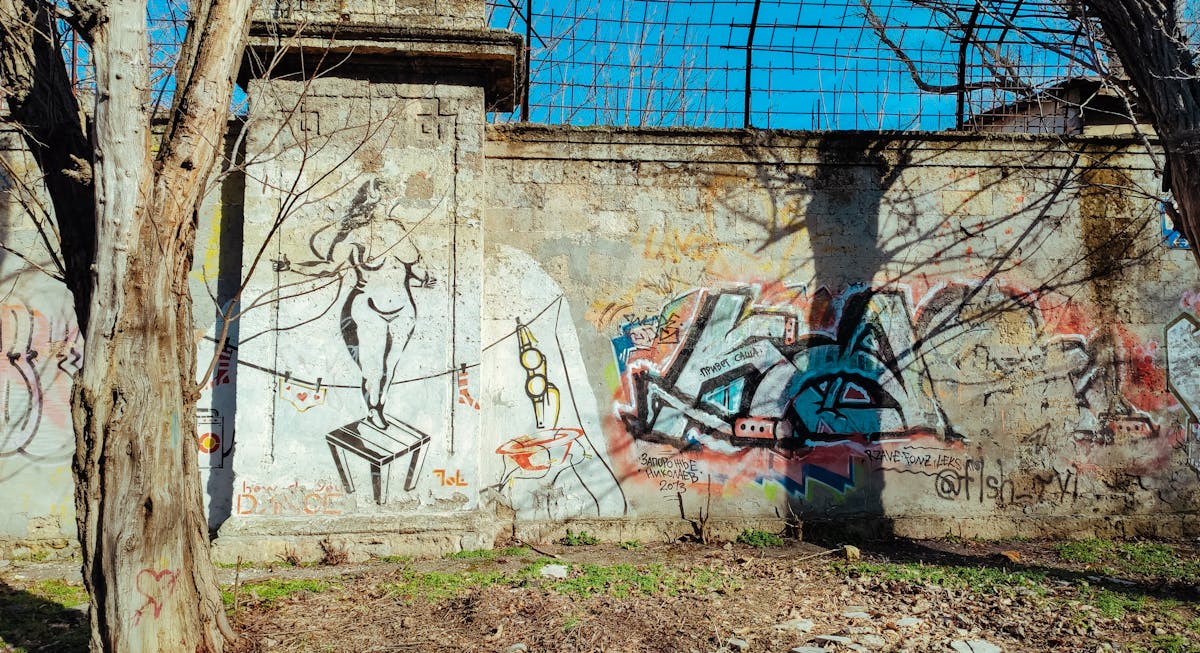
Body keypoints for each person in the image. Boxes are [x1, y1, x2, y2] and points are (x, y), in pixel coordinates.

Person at [283, 179, 436, 429]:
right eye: (379, 200)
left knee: (390, 367)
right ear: (369, 203)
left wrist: (427, 276)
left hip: (403, 311)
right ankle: (373, 409)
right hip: (368, 311)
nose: (384, 206)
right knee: (372, 368)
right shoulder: (354, 238)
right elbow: (328, 268)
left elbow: (416, 267)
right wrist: (292, 267)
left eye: (388, 200)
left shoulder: (398, 232)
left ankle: (380, 405)